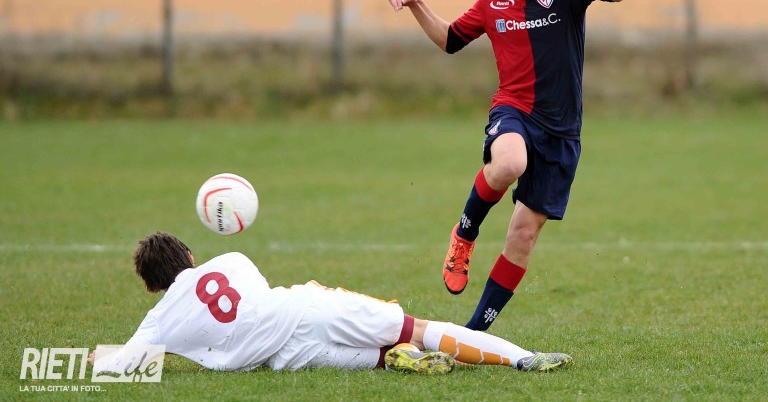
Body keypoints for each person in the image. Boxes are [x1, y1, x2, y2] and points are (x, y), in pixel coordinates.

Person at [388, 0, 627, 331]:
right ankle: (465, 234)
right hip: (513, 110)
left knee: (522, 236)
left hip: (561, 131)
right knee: (510, 163)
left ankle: (472, 335)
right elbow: (449, 39)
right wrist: (417, 5)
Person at [91, 231, 573, 375]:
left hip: (283, 359)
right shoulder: (231, 260)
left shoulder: (158, 320)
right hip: (304, 308)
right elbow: (253, 297)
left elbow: (125, 364)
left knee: (380, 358)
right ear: (191, 256)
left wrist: (100, 358)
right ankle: (523, 359)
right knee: (418, 328)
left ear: (154, 286)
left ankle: (397, 360)